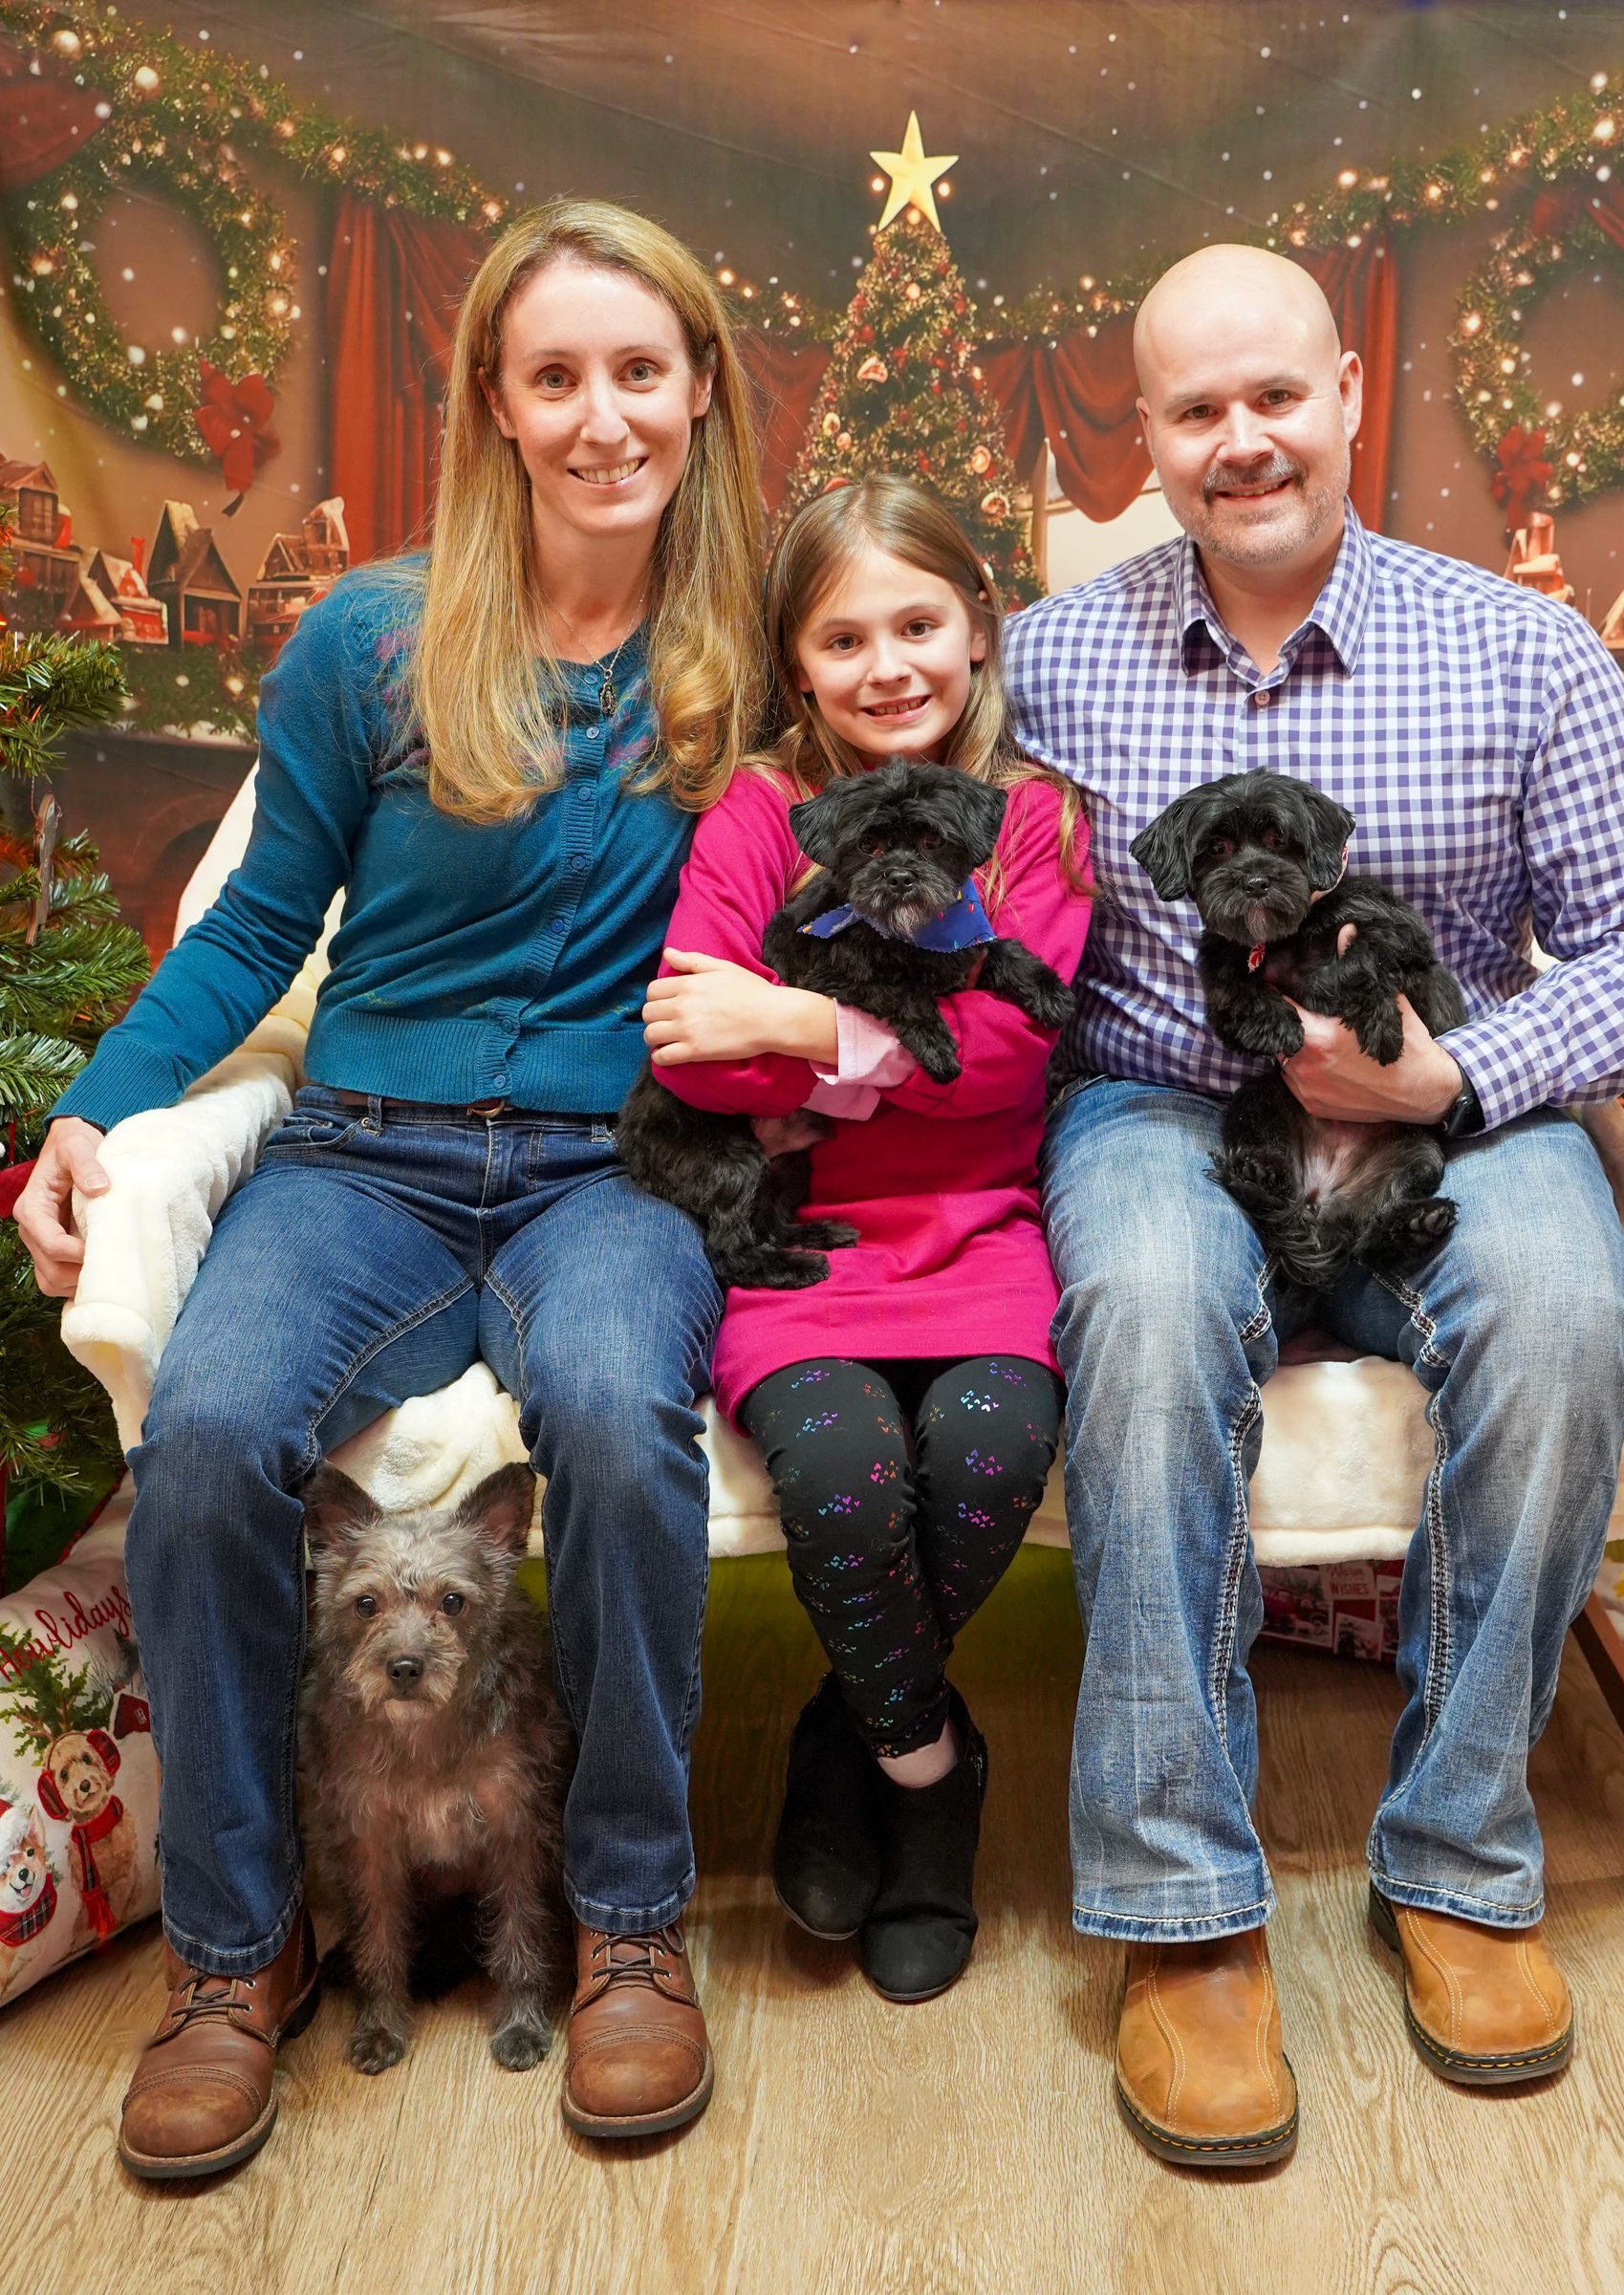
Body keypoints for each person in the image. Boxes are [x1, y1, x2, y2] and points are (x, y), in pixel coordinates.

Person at [14, 199, 769, 2176]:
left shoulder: (759, 647)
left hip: (616, 1167)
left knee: (616, 1409)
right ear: (496, 406)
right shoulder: (370, 636)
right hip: (368, 1159)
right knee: (211, 1430)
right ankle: (233, 1952)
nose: (602, 414)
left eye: (638, 368)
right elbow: (257, 922)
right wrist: (95, 1113)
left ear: (699, 387)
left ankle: (625, 1925)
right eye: (556, 376)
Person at [1003, 244, 1624, 2169]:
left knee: (1570, 1317)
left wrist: (1454, 1077)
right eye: (1192, 411)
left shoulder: (1519, 647)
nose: (1241, 441)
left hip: (1453, 1102)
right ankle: (1183, 1907)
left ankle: (1462, 1854)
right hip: (1161, 1105)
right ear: (1143, 438)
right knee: (1148, 1316)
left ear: (1345, 396)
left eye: (1272, 397)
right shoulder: (1046, 657)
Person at [639, 476, 1091, 2000]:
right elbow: (695, 1048)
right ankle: (931, 1770)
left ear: (979, 627)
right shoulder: (761, 812)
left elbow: (1017, 1053)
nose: (889, 663)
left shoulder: (1036, 820)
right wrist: (875, 1039)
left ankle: (849, 1733)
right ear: (795, 661)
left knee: (984, 1444)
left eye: (919, 622)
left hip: (983, 1237)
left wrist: (799, 1020)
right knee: (842, 1469)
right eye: (845, 637)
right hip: (804, 1244)